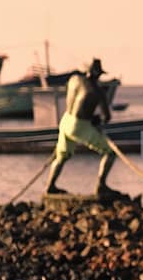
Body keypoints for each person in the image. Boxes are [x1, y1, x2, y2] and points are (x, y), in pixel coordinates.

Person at [45, 58, 121, 197]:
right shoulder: (98, 91)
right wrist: (96, 119)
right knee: (110, 153)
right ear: (98, 75)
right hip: (79, 125)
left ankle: (50, 186)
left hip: (66, 120)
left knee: (61, 156)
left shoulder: (74, 79)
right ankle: (101, 185)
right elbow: (106, 117)